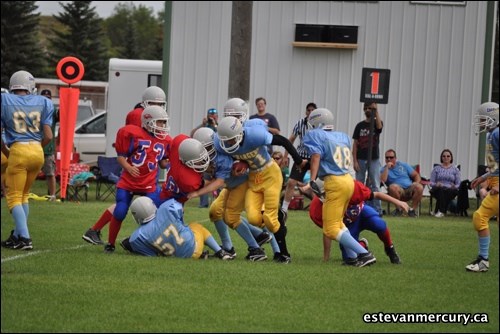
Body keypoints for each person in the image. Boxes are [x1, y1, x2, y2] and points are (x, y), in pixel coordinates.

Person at [216, 114, 306, 263]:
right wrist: (241, 163)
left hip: (270, 174)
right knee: (253, 218)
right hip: (254, 179)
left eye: (231, 138)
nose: (229, 142)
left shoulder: (255, 135)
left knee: (270, 220)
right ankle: (279, 218)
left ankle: (284, 255)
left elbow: (283, 141)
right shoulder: (221, 143)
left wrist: (298, 160)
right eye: (226, 139)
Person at [82, 105, 171, 253]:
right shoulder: (133, 134)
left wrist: (169, 163)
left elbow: (162, 162)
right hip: (129, 181)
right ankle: (110, 244)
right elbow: (121, 157)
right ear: (148, 122)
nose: (163, 126)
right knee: (120, 211)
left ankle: (144, 241)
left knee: (157, 212)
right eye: (160, 122)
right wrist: (128, 167)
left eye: (163, 122)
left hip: (148, 183)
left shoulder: (165, 140)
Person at [304, 108, 376, 267]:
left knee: (330, 229)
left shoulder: (316, 135)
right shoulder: (341, 136)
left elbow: (316, 156)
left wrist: (313, 179)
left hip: (335, 182)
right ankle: (351, 257)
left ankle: (364, 254)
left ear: (318, 122)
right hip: (347, 180)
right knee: (338, 222)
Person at [189, 125, 272, 261]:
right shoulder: (211, 158)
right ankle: (233, 246)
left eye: (210, 147)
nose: (209, 151)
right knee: (215, 212)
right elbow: (208, 179)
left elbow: (218, 182)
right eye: (205, 149)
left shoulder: (221, 156)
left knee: (231, 217)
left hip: (242, 183)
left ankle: (257, 249)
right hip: (231, 185)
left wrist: (197, 193)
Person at [1, 70, 54, 250]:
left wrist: (5, 150)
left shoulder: (4, 100)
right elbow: (48, 135)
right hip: (37, 151)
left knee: (14, 197)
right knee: (23, 195)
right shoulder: (43, 102)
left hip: (19, 149)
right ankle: (16, 235)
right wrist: (37, 145)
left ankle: (25, 237)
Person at [308, 178, 408, 264]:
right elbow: (328, 231)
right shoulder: (317, 209)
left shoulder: (352, 188)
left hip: (362, 214)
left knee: (379, 224)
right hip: (348, 226)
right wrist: (326, 257)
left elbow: (376, 194)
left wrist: (397, 202)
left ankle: (390, 248)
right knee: (350, 258)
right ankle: (363, 245)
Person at [120, 196, 234, 260]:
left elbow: (153, 255)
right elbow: (181, 212)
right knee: (196, 226)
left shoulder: (136, 237)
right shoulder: (166, 208)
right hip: (193, 246)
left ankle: (202, 255)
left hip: (176, 255)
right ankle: (221, 252)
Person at [466, 102, 499, 273]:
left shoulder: (497, 133)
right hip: (494, 181)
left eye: (484, 119)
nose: (481, 123)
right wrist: (483, 178)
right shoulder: (492, 134)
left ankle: (483, 260)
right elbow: (495, 167)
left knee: (480, 217)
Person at [281, 102, 315, 218]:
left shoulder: (320, 124)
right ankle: (284, 209)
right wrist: (286, 156)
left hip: (315, 157)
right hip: (301, 157)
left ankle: (320, 207)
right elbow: (290, 140)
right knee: (291, 182)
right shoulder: (300, 123)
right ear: (305, 112)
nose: (310, 112)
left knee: (319, 184)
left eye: (312, 110)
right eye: (308, 110)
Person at [352, 102, 383, 216]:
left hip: (373, 158)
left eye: (370, 108)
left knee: (375, 184)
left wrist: (377, 111)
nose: (367, 110)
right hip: (360, 158)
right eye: (366, 108)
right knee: (359, 184)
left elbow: (379, 128)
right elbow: (355, 144)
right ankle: (358, 208)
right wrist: (354, 160)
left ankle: (377, 210)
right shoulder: (359, 126)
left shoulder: (376, 123)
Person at [380, 149, 422, 218]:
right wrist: (387, 168)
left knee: (419, 187)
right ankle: (399, 209)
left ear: (395, 158)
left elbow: (416, 175)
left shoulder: (403, 165)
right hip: (397, 191)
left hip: (409, 188)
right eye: (387, 157)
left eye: (391, 157)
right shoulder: (383, 169)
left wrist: (416, 183)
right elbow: (382, 180)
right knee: (393, 187)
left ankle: (412, 210)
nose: (389, 159)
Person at [190, 108, 219, 208]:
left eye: (214, 116)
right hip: (204, 156)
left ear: (217, 116)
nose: (212, 118)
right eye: (210, 116)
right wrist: (202, 124)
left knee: (219, 179)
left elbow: (222, 136)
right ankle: (203, 203)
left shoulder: (219, 126)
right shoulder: (203, 127)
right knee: (203, 180)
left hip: (216, 156)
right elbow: (192, 135)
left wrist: (215, 124)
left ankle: (220, 201)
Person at [429, 149, 461, 217]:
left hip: (450, 189)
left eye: (448, 156)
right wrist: (436, 184)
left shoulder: (455, 170)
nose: (446, 158)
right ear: (441, 158)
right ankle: (442, 211)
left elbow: (458, 184)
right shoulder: (436, 169)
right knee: (441, 190)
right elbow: (431, 182)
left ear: (451, 158)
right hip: (438, 189)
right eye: (444, 156)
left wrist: (454, 186)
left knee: (445, 191)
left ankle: (438, 210)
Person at [40, 89, 57, 201]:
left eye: (48, 97)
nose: (46, 99)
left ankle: (52, 195)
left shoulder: (53, 110)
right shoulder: (34, 109)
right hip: (33, 146)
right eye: (44, 97)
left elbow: (63, 116)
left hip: (47, 148)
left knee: (50, 173)